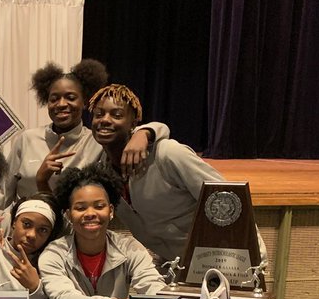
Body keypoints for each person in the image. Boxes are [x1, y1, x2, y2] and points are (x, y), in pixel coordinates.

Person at [89, 83, 267, 267]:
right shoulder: (103, 173)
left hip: (224, 259)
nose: (105, 120)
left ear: (133, 123)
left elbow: (228, 199)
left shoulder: (168, 153)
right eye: (98, 114)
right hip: (175, 266)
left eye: (116, 115)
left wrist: (254, 261)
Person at [0, 60, 165, 210]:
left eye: (70, 97)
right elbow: (0, 197)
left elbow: (160, 129)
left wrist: (144, 133)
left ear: (85, 101)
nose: (61, 104)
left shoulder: (97, 140)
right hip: (27, 233)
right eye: (54, 99)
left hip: (78, 236)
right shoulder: (27, 139)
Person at [40, 165, 165, 299]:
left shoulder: (129, 247)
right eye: (80, 208)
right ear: (68, 215)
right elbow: (63, 298)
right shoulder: (54, 253)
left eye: (99, 206)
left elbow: (151, 284)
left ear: (111, 211)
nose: (90, 213)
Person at [0, 192, 63, 299]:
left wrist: (35, 288)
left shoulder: (54, 261)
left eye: (43, 230)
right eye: (26, 224)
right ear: (14, 222)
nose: (31, 235)